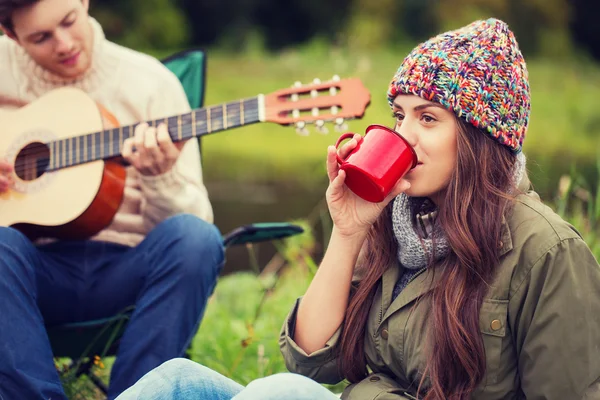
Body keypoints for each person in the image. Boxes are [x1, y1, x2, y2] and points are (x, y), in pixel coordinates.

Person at [116, 17, 600, 400]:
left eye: (428, 118)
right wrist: (347, 231)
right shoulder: (397, 220)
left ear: (481, 139)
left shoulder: (547, 251)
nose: (403, 135)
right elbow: (310, 361)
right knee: (177, 381)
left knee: (280, 395)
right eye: (399, 115)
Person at [0, 0, 225, 399]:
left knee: (196, 239)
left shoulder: (151, 83)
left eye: (69, 21)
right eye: (41, 37)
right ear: (11, 36)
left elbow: (197, 219)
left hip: (129, 271)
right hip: (29, 278)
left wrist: (161, 177)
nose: (65, 43)